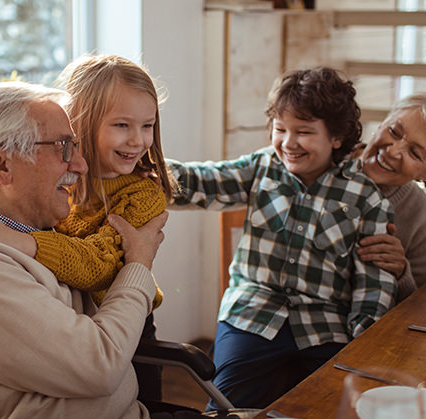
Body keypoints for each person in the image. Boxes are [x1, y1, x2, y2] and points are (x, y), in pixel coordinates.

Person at [0, 81, 196, 418]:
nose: (82, 166)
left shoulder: (31, 227)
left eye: (76, 145)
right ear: (0, 164)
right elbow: (98, 366)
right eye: (63, 147)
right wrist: (139, 263)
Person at [168, 68, 396, 410]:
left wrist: (364, 341)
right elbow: (205, 181)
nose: (288, 143)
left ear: (336, 137)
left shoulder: (365, 197)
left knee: (339, 406)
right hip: (252, 313)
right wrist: (151, 168)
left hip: (326, 325)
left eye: (303, 132)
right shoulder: (262, 167)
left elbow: (372, 286)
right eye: (280, 129)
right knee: (224, 408)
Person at [355, 91, 426, 301]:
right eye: (394, 131)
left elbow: (420, 306)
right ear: (382, 124)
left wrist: (400, 272)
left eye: (415, 153)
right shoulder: (321, 163)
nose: (392, 151)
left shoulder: (425, 217)